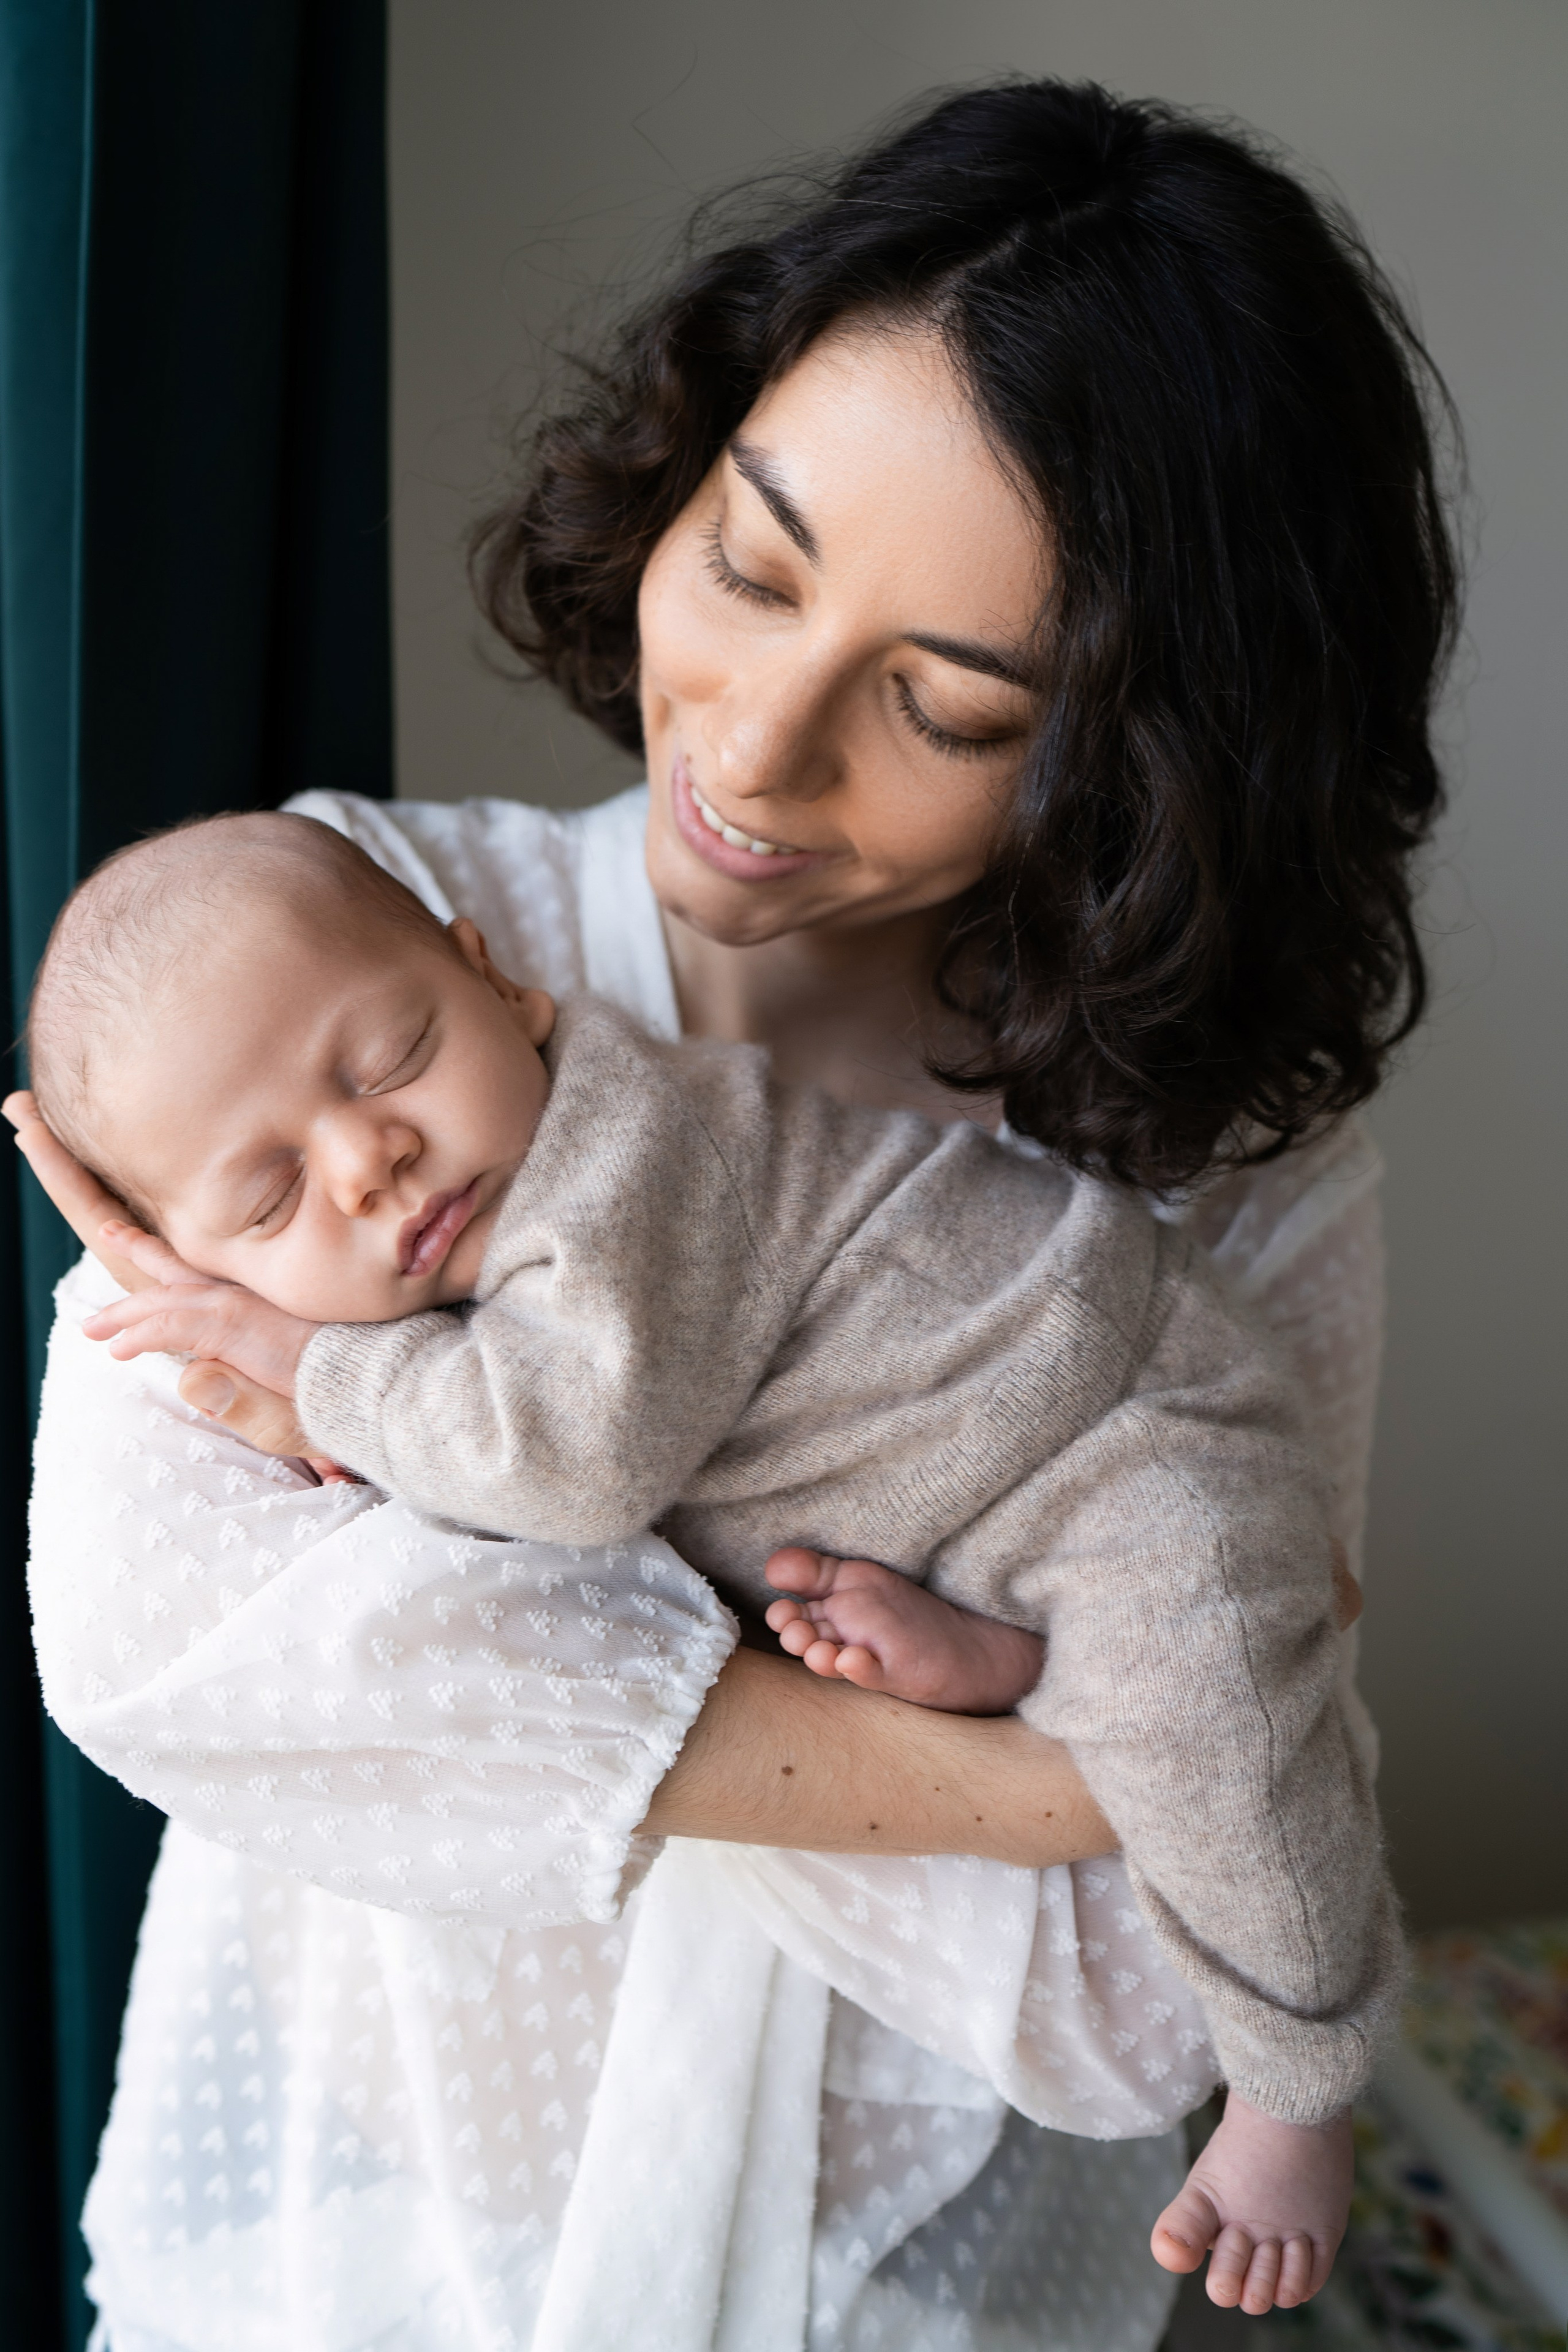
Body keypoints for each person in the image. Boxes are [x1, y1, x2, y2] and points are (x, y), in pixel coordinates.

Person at [14, 77, 1455, 2352]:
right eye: (755, 565)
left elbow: (1132, 2006)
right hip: (350, 2261)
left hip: (900, 2302)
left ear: (1144, 763)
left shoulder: (1230, 1200)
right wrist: (1051, 1771)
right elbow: (166, 1640)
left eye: (946, 707)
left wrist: (460, 1572)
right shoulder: (351, 960)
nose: (760, 752)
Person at [24, 805, 1393, 2291]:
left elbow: (566, 1462)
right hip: (962, 1500)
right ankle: (1010, 1657)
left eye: (390, 1058)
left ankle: (1297, 2081)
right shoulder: (452, 1252)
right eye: (273, 1194)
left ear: (502, 989)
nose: (369, 1158)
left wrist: (309, 1364)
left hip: (1114, 1429)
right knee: (1068, 1661)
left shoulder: (616, 1157)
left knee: (1219, 1723)